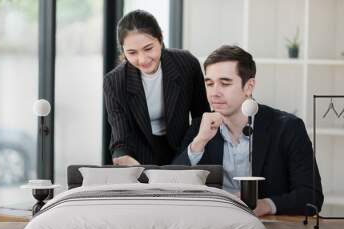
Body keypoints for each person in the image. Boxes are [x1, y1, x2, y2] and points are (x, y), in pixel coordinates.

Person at [173, 45, 324, 216]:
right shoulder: (200, 127)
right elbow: (170, 187)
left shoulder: (288, 128)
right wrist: (199, 143)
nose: (214, 93)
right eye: (210, 84)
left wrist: (266, 205)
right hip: (212, 225)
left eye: (225, 83)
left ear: (249, 86)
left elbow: (312, 196)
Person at [104, 10, 209, 166]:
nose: (143, 59)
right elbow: (120, 134)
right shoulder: (114, 81)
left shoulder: (186, 64)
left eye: (148, 48)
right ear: (123, 52)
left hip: (183, 148)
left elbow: (200, 116)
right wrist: (123, 156)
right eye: (132, 53)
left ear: (160, 39)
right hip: (139, 155)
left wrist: (194, 149)